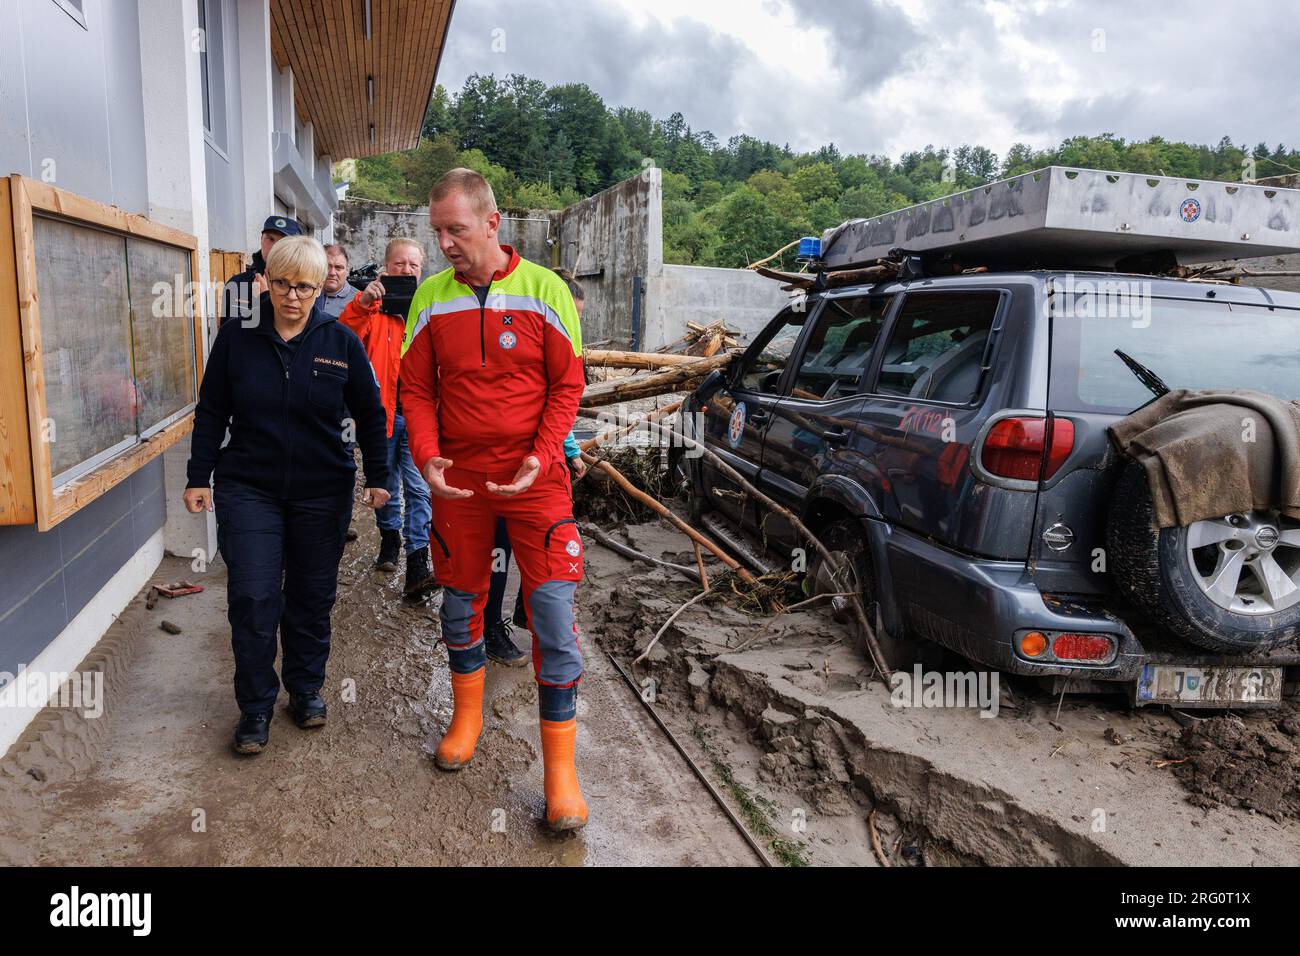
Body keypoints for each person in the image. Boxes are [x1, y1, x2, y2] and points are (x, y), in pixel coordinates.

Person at [401, 168, 589, 831]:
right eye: (438, 232)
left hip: (536, 483)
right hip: (461, 484)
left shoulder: (545, 291)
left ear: (491, 222)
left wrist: (540, 454)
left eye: (456, 229)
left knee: (551, 611)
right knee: (461, 600)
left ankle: (560, 773)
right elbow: (416, 390)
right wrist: (426, 457)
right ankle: (466, 717)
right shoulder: (429, 298)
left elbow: (569, 386)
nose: (446, 243)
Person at [184, 236, 391, 755]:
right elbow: (211, 411)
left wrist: (379, 477)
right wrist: (197, 476)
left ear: (322, 286)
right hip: (249, 488)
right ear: (267, 282)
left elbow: (370, 414)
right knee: (253, 597)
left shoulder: (339, 341)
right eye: (282, 284)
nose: (292, 296)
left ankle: (305, 690)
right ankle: (255, 706)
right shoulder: (238, 337)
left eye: (304, 286)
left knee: (310, 596)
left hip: (321, 492)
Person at [482, 268, 588, 666]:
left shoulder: (563, 346)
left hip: (544, 470)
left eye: (577, 316)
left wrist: (570, 451)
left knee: (545, 550)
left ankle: (529, 618)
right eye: (569, 314)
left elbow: (563, 409)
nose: (573, 323)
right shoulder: (512, 346)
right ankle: (489, 628)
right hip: (505, 466)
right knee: (498, 552)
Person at [339, 238, 435, 601]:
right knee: (385, 484)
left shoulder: (430, 307)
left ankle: (417, 561)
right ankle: (390, 540)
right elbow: (342, 339)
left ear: (421, 269)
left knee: (418, 487)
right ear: (386, 267)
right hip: (382, 414)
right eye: (399, 264)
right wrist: (363, 304)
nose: (406, 271)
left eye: (413, 265)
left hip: (421, 414)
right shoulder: (369, 307)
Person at [220, 215, 302, 327]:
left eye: (283, 242)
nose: (275, 247)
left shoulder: (305, 287)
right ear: (261, 240)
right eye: (270, 239)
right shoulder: (238, 283)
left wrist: (265, 297)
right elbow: (228, 337)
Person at [318, 243, 356, 318]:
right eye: (327, 266)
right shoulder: (306, 294)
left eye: (338, 268)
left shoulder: (358, 301)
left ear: (347, 271)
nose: (332, 273)